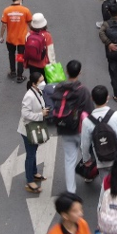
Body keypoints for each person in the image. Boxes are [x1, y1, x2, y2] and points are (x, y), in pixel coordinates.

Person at [44, 61, 94, 193]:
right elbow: (89, 110)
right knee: (88, 155)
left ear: (66, 71)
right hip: (80, 130)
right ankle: (88, 175)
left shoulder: (59, 87)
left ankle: (71, 191)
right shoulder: (82, 90)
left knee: (69, 160)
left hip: (65, 129)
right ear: (80, 72)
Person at [80, 86, 117, 170]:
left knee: (105, 182)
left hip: (102, 160)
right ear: (108, 97)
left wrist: (86, 159)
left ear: (92, 98)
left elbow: (85, 144)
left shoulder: (87, 122)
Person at [18, 75, 50, 194]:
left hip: (35, 126)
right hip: (28, 129)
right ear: (33, 83)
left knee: (34, 150)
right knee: (30, 154)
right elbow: (25, 114)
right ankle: (29, 181)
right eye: (41, 81)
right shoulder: (29, 96)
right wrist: (40, 114)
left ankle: (34, 173)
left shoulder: (38, 91)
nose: (43, 83)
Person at [0, 0, 32, 83]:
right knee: (20, 56)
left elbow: (3, 25)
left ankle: (13, 72)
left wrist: (1, 36)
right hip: (22, 39)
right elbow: (30, 24)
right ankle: (19, 75)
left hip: (10, 38)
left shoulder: (6, 10)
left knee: (11, 55)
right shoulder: (25, 10)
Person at [24, 14, 54, 82]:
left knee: (34, 82)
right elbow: (50, 52)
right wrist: (53, 64)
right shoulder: (47, 35)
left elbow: (26, 48)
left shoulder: (29, 34)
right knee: (45, 82)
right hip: (44, 64)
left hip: (32, 63)